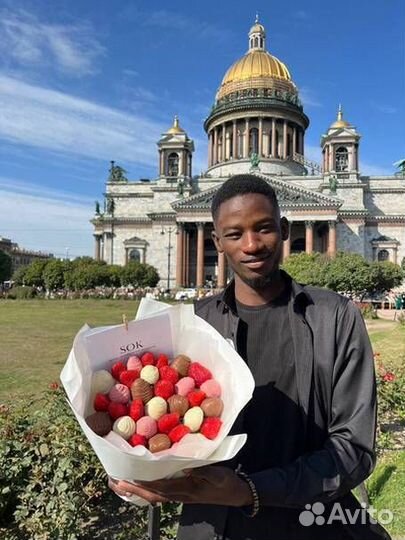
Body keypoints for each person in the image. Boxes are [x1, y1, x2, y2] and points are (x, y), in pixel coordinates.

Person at [109, 175, 390, 540]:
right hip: (211, 525)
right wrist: (128, 464)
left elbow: (353, 448)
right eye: (235, 233)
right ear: (217, 241)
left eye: (264, 229)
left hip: (313, 524)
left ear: (285, 229)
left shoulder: (334, 318)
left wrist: (250, 491)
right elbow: (158, 418)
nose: (252, 245)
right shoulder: (190, 325)